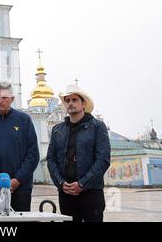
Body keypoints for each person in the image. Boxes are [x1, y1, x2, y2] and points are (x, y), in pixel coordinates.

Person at [47, 84, 110, 222]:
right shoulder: (57, 130)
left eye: (74, 100)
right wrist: (61, 183)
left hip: (91, 193)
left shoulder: (97, 127)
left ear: (83, 104)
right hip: (66, 193)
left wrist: (82, 184)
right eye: (67, 100)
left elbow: (103, 160)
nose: (70, 103)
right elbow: (51, 160)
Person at [0, 82, 40, 211]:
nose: (0, 100)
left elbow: (33, 154)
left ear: (12, 99)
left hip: (20, 188)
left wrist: (17, 179)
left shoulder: (24, 120)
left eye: (4, 97)